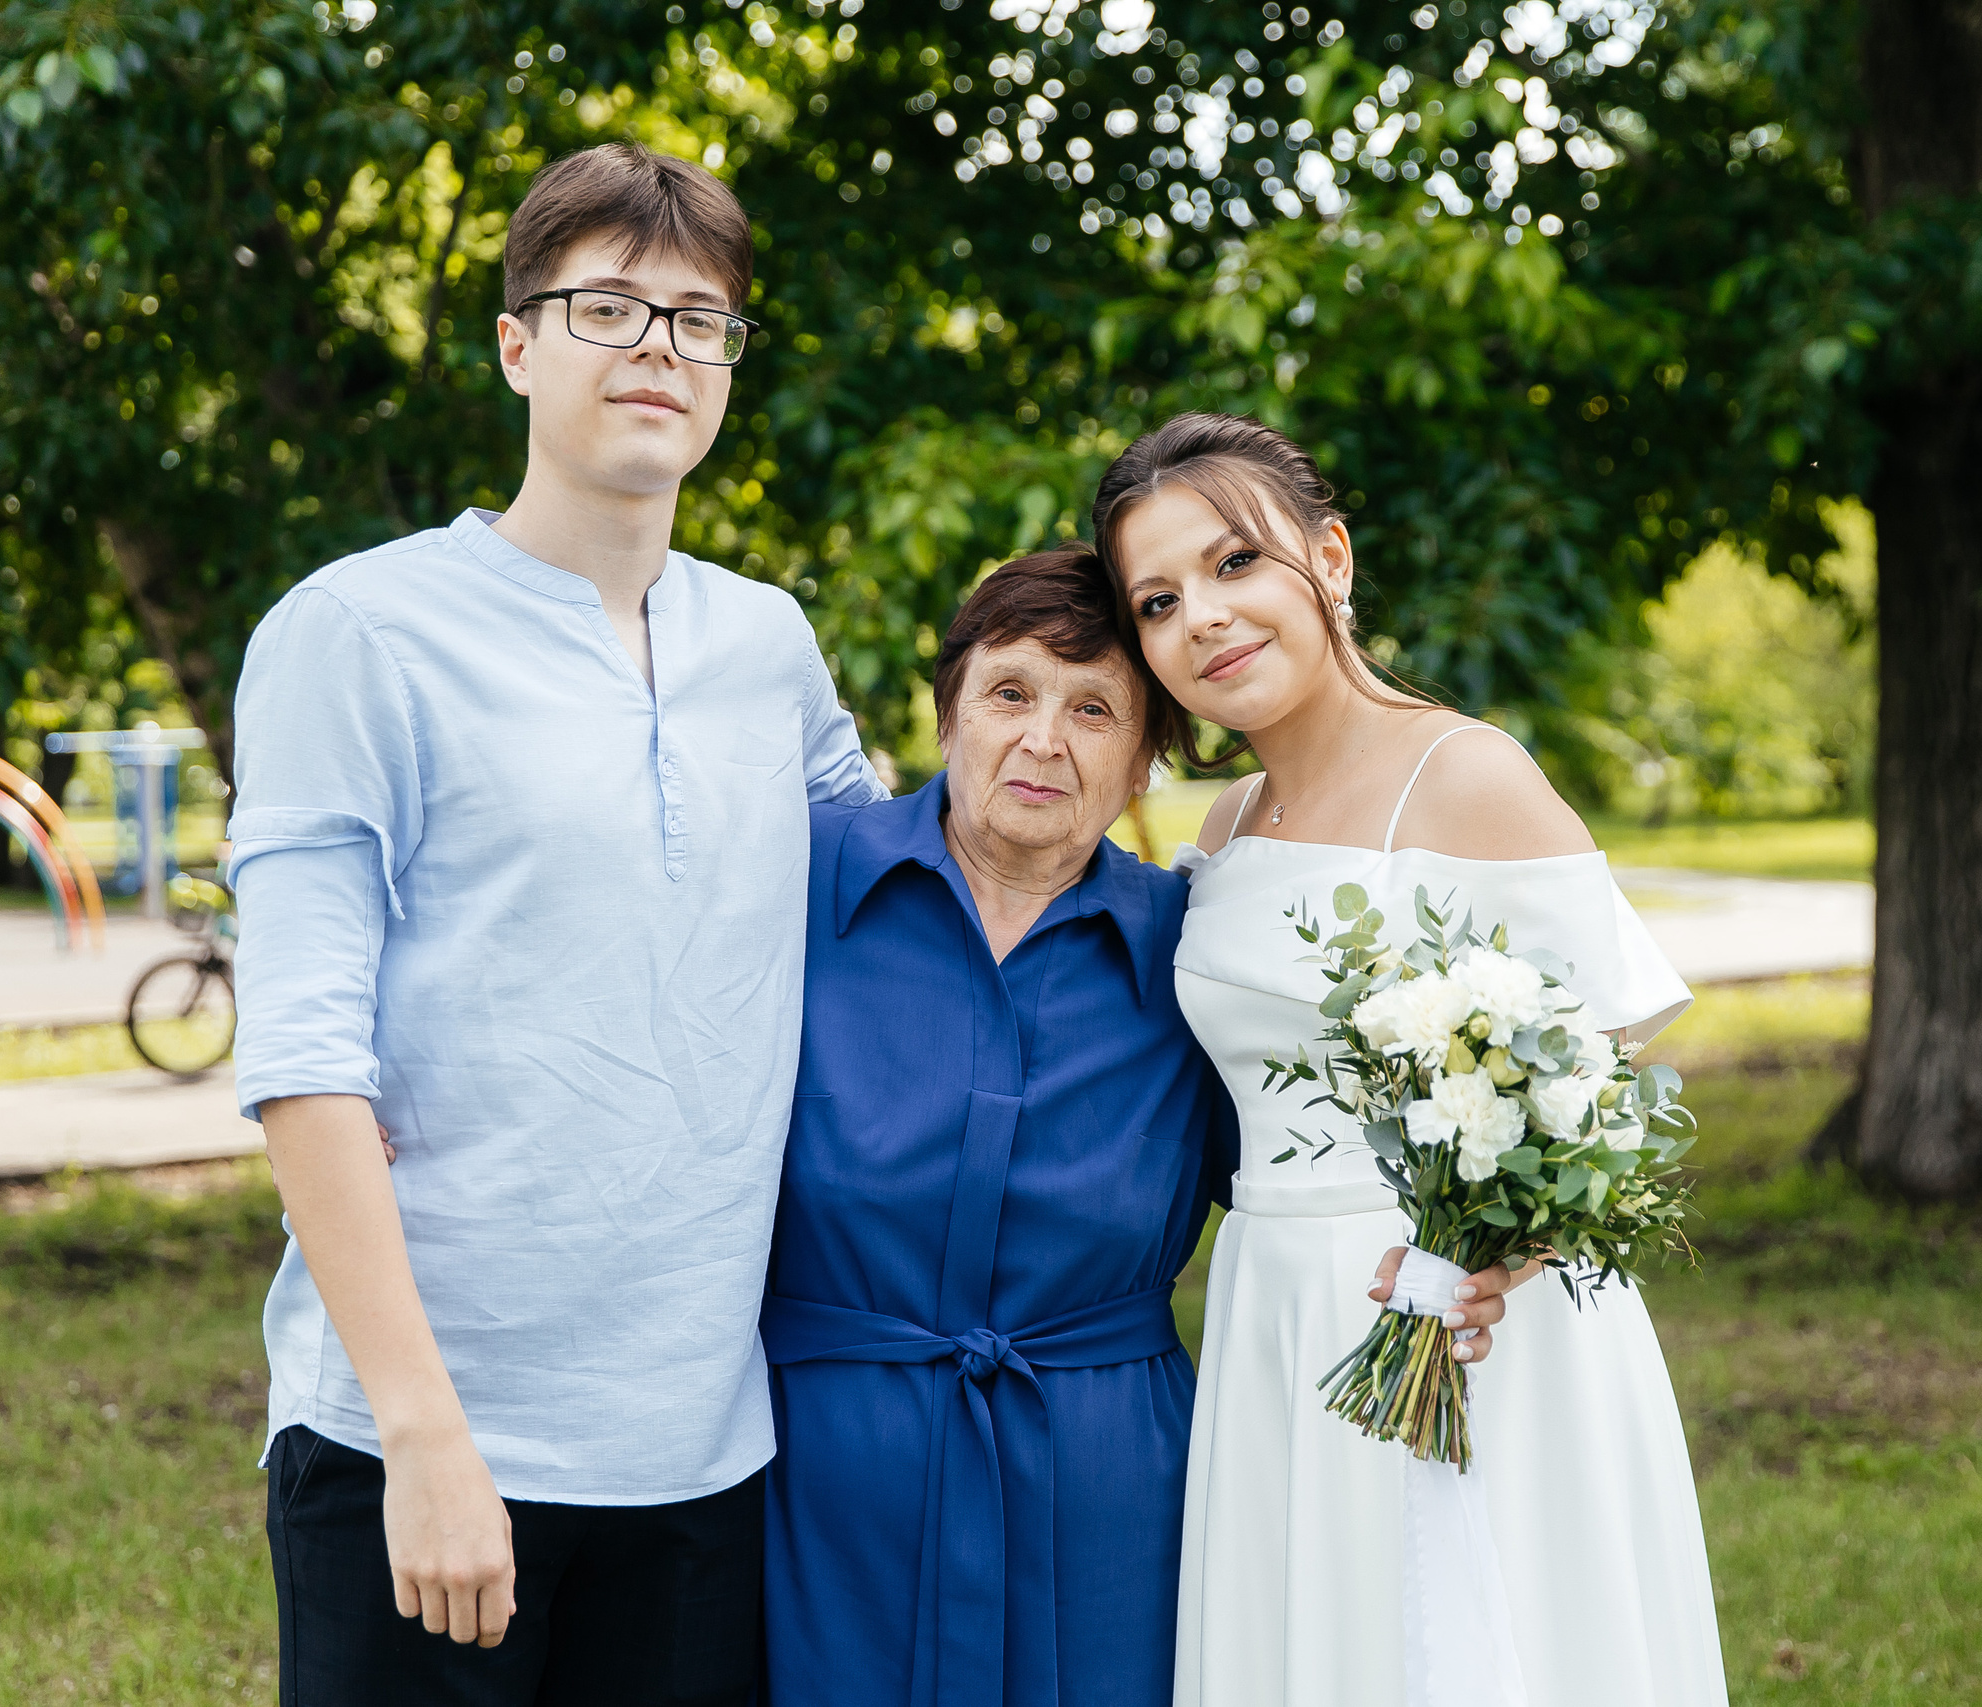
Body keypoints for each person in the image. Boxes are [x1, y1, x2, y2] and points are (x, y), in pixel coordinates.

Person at [227, 142, 884, 1706]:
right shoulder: (357, 630)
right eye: (609, 306)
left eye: (699, 317)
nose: (660, 344)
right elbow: (303, 1052)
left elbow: (906, 890)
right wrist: (424, 1437)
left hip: (708, 1448)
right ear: (518, 345)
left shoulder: (766, 642)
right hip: (428, 1442)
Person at [757, 547, 1518, 1707]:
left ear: (1144, 760)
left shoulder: (1201, 957)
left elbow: (1342, 1165)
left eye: (1094, 709)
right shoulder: (795, 880)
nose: (1042, 740)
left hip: (1111, 1490)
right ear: (948, 709)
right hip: (816, 1480)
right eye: (1009, 693)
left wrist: (1483, 1255)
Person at [1090, 413, 1729, 1707]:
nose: (1202, 617)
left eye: (1234, 564)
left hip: (1466, 1323)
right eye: (1159, 600)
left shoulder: (1465, 772)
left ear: (1328, 555)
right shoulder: (1227, 816)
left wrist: (1494, 1256)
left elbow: (1603, 1075)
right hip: (1274, 1304)